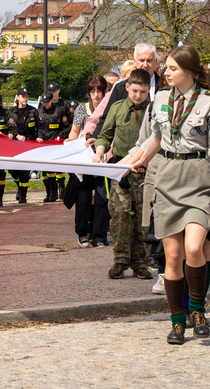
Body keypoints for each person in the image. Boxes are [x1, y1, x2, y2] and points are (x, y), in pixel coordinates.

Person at [131, 45, 210, 344]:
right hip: (167, 179)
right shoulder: (160, 98)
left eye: (172, 68)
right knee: (172, 257)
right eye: (167, 68)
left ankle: (198, 309)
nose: (166, 73)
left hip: (199, 181)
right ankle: (177, 322)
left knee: (193, 249)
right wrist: (138, 160)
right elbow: (156, 138)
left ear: (188, 71)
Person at [93, 69, 153, 279]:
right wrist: (100, 149)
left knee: (142, 219)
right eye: (135, 90)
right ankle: (120, 259)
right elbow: (105, 134)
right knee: (120, 215)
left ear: (149, 91)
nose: (138, 96)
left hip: (145, 172)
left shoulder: (153, 111)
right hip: (120, 170)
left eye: (143, 92)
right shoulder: (117, 108)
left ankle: (140, 263)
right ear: (126, 87)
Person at [68, 75, 107, 245]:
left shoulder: (109, 109)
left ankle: (99, 235)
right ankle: (82, 232)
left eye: (99, 91)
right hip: (84, 160)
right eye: (92, 91)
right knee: (83, 199)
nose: (96, 94)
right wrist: (72, 141)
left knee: (101, 198)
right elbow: (74, 131)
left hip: (102, 159)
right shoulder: (82, 109)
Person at [36, 91, 71, 202]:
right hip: (42, 144)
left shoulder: (59, 111)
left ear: (52, 100)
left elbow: (66, 127)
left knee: (52, 170)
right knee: (45, 173)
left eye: (47, 102)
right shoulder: (39, 110)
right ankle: (48, 193)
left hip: (54, 145)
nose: (45, 104)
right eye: (44, 102)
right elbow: (36, 126)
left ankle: (54, 193)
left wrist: (60, 136)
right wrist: (38, 136)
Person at [6, 87, 37, 203]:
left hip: (28, 144)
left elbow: (38, 127)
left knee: (25, 171)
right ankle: (20, 187)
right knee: (13, 171)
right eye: (23, 96)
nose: (25, 99)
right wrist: (16, 135)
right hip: (15, 144)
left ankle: (23, 195)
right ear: (18, 97)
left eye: (27, 96)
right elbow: (9, 128)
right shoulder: (11, 112)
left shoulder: (33, 111)